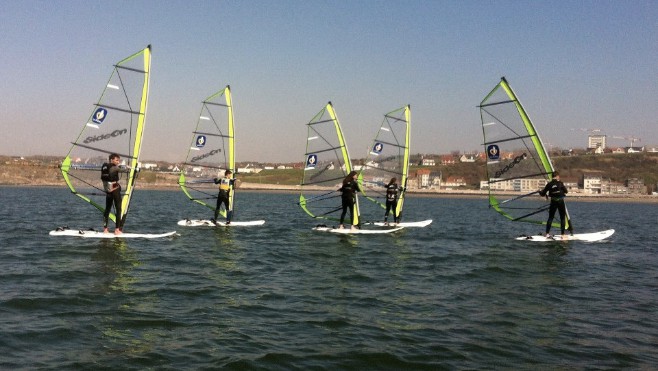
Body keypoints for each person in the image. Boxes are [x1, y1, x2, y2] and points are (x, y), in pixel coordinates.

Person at [539, 171, 572, 238]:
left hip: (553, 202)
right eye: (558, 176)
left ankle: (547, 233)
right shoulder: (560, 183)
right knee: (562, 218)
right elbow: (566, 191)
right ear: (557, 176)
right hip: (560, 201)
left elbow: (542, 194)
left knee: (550, 217)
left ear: (552, 176)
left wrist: (539, 191)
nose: (559, 177)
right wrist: (560, 191)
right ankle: (562, 234)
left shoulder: (549, 184)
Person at [101, 153, 123, 235]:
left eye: (118, 160)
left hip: (108, 190)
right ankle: (117, 230)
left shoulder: (104, 167)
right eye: (117, 160)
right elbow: (124, 170)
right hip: (115, 190)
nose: (118, 162)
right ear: (111, 160)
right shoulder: (114, 167)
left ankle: (105, 229)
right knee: (118, 209)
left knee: (107, 209)